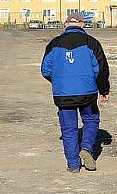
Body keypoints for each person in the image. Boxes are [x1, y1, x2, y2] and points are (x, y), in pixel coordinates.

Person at [41, 13, 110, 173]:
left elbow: (45, 70)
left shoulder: (54, 43)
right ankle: (86, 147)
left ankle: (73, 164)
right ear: (82, 24)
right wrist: (104, 90)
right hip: (88, 93)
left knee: (69, 129)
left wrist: (59, 81)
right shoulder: (92, 43)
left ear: (66, 24)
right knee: (91, 120)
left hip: (63, 94)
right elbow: (101, 69)